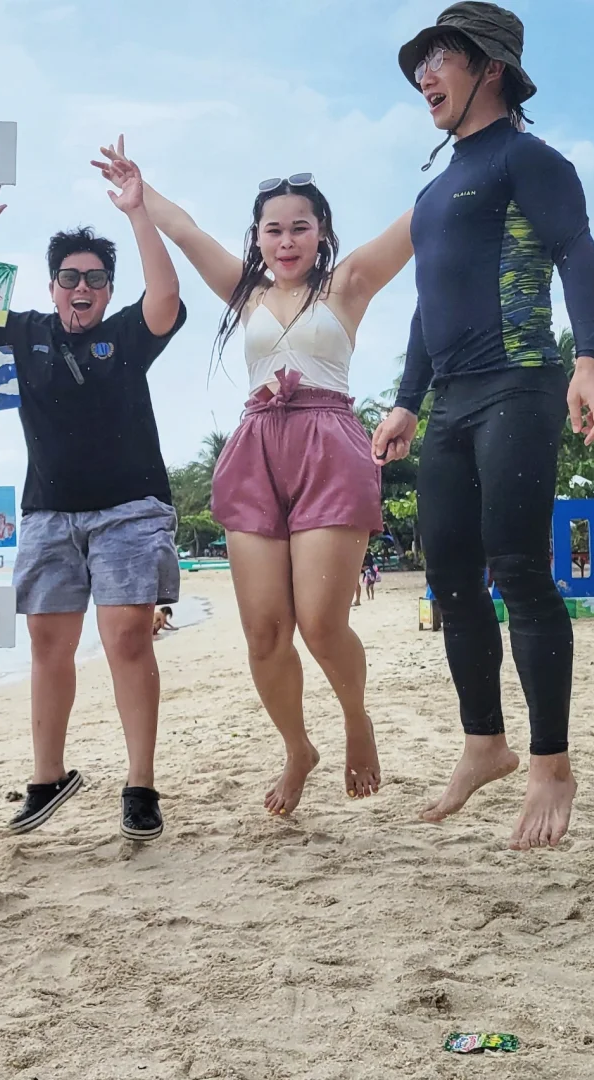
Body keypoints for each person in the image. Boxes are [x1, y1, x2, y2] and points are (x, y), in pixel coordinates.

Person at [372, 2, 594, 849]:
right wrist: (406, 398)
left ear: (491, 68)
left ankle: (551, 760)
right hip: (451, 401)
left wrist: (588, 358)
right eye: (420, 61)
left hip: (521, 382)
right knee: (450, 578)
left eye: (441, 57)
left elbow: (576, 251)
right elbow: (423, 305)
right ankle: (485, 742)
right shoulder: (435, 187)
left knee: (517, 566)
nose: (423, 75)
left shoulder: (527, 159)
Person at [135, 167, 412, 814]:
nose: (285, 240)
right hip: (256, 448)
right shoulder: (244, 292)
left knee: (319, 624)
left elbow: (417, 221)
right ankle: (296, 749)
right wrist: (135, 190)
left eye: (299, 227)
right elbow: (181, 228)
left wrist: (483, 143)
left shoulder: (346, 285)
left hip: (328, 447)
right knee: (263, 631)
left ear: (320, 234)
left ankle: (354, 719)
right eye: (272, 229)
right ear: (256, 237)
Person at [0, 135, 185, 842]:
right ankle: (47, 777)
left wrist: (138, 212)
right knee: (47, 648)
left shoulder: (124, 334)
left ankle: (139, 786)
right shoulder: (23, 332)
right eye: (68, 277)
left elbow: (166, 299)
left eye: (94, 278)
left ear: (107, 287)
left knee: (125, 641)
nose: (81, 288)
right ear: (50, 284)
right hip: (48, 512)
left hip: (130, 510)